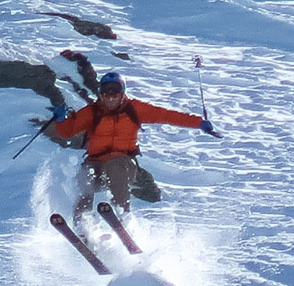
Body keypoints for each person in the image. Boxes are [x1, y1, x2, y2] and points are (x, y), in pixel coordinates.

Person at [48, 71, 214, 226]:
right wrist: (61, 120)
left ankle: (123, 216)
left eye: (115, 93)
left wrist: (198, 123)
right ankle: (82, 222)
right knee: (86, 175)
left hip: (124, 163)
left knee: (115, 166)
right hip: (96, 162)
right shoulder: (92, 112)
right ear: (101, 94)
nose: (111, 98)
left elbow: (166, 115)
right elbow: (67, 132)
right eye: (106, 93)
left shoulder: (134, 109)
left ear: (122, 94)